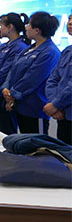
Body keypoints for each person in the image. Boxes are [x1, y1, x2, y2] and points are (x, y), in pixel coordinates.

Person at [2, 11, 61, 134]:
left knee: (35, 143)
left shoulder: (50, 52)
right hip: (21, 105)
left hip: (35, 107)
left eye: (29, 25)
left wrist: (12, 94)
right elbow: (13, 70)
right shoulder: (29, 49)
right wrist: (6, 88)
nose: (26, 28)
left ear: (37, 30)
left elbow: (32, 79)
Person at [44, 11, 72, 144]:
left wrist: (56, 104)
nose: (70, 23)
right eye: (70, 19)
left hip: (64, 109)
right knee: (62, 152)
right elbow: (53, 79)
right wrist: (54, 104)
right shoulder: (67, 51)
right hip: (62, 114)